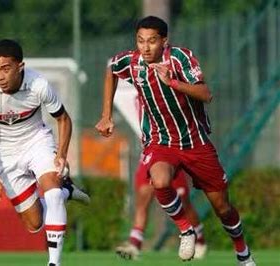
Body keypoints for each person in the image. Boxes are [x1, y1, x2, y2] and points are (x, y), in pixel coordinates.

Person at [95, 16, 255, 265]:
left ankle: (243, 254)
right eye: (140, 41)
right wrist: (105, 116)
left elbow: (206, 94)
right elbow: (111, 70)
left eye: (152, 41)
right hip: (160, 142)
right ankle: (186, 230)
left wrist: (172, 82)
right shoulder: (133, 61)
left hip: (195, 143)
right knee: (159, 181)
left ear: (164, 41)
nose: (145, 47)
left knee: (223, 207)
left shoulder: (180, 58)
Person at [0, 39, 90, 266]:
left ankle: (54, 262)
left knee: (51, 194)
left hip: (36, 142)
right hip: (3, 154)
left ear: (20, 67)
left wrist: (61, 155)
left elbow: (63, 118)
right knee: (33, 224)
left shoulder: (38, 85)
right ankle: (66, 192)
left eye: (5, 69)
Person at [116, 162, 207, 260]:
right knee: (142, 203)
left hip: (169, 161)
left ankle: (199, 240)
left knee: (184, 205)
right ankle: (135, 245)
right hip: (148, 160)